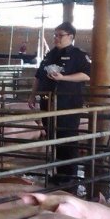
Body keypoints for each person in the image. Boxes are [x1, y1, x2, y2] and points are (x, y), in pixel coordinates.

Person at [29, 22, 91, 184]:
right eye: (55, 35)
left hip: (67, 102)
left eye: (60, 35)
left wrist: (64, 78)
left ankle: (70, 176)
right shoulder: (50, 54)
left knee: (67, 137)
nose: (56, 38)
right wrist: (33, 95)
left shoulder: (78, 55)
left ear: (71, 36)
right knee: (53, 135)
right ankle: (59, 173)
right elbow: (38, 76)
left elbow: (86, 75)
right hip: (47, 101)